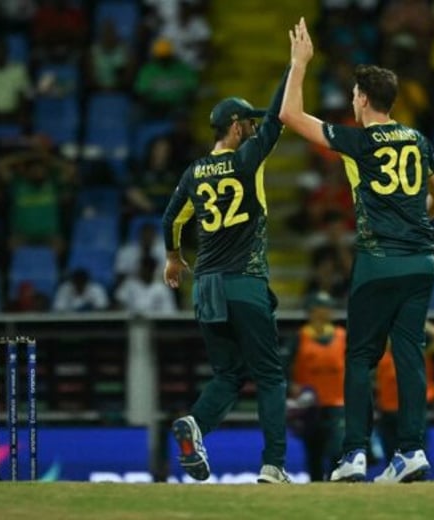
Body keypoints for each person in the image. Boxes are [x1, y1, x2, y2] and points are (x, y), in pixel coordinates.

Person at [280, 17, 434, 483]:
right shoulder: (418, 140)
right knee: (411, 353)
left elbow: (289, 117)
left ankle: (354, 455)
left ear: (361, 99)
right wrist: (416, 225)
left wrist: (299, 65)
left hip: (378, 262)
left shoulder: (358, 141)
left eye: (354, 96)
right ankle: (411, 452)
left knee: (359, 357)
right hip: (422, 259)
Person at [161, 60, 292, 484]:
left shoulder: (194, 172)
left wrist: (173, 257)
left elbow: (170, 220)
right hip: (245, 282)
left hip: (207, 289)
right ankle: (273, 465)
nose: (254, 128)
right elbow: (277, 117)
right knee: (270, 377)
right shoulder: (248, 159)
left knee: (229, 374)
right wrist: (295, 67)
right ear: (235, 126)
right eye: (248, 123)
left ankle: (195, 426)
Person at [375, 321, 434, 464]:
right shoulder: (379, 355)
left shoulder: (419, 351)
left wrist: (424, 323)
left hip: (413, 412)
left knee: (416, 459)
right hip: (388, 413)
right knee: (391, 461)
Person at [283, 291, 346, 482]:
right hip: (310, 405)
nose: (327, 312)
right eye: (323, 308)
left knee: (337, 449)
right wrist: (291, 387)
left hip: (337, 402)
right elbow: (284, 367)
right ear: (312, 311)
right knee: (314, 452)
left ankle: (338, 483)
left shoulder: (342, 336)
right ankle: (317, 486)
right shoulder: (300, 337)